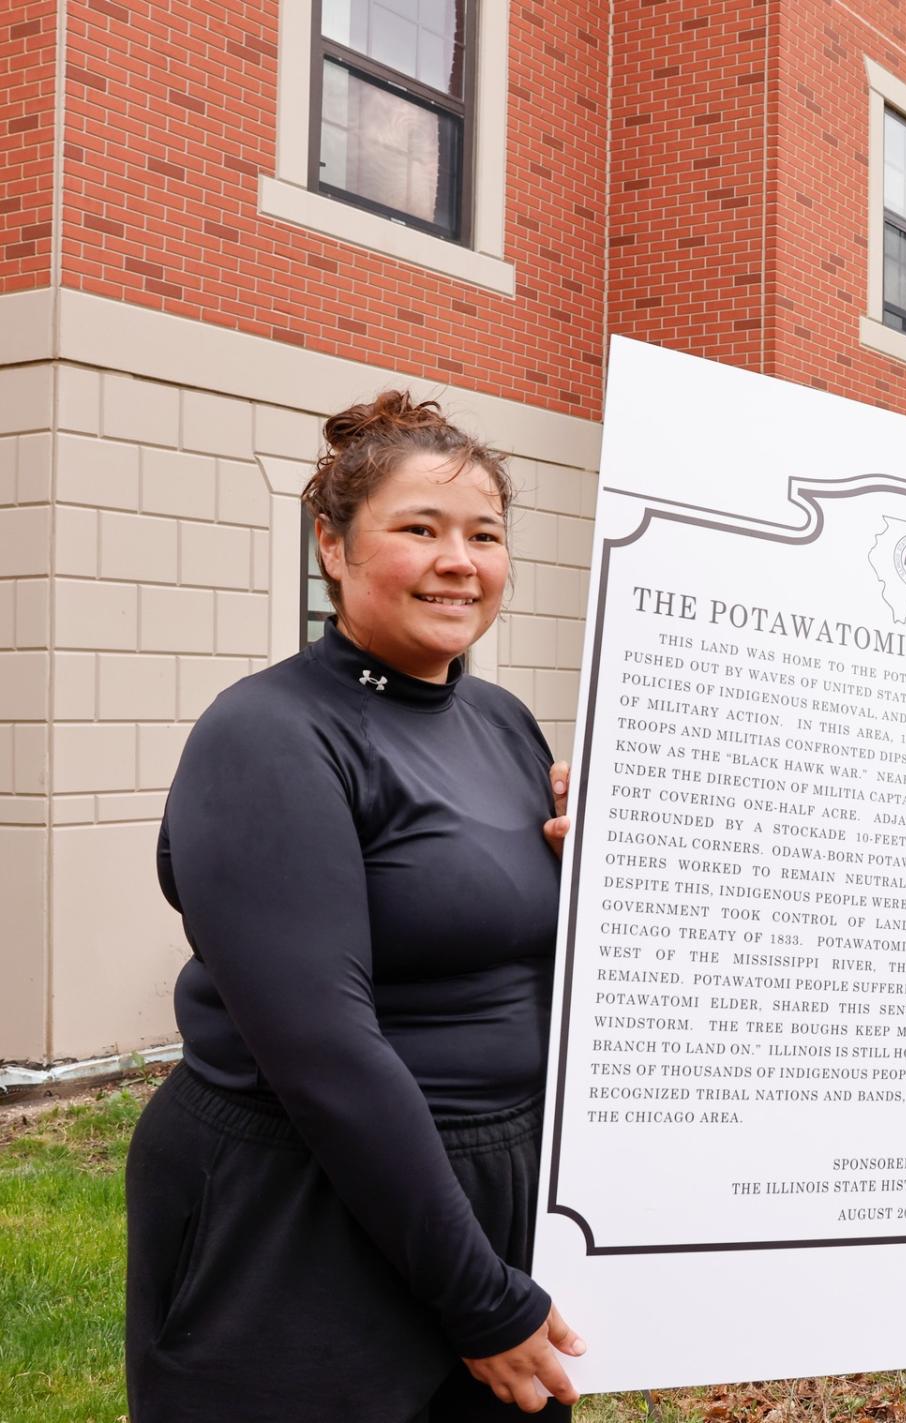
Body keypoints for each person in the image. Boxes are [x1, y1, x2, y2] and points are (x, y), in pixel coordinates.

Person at [125, 392, 584, 1421]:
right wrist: (477, 1298)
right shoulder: (268, 735)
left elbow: (530, 957)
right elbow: (323, 1052)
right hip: (299, 1206)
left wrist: (603, 865)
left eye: (484, 534)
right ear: (332, 546)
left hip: (496, 1194)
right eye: (419, 530)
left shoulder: (504, 723)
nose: (458, 561)